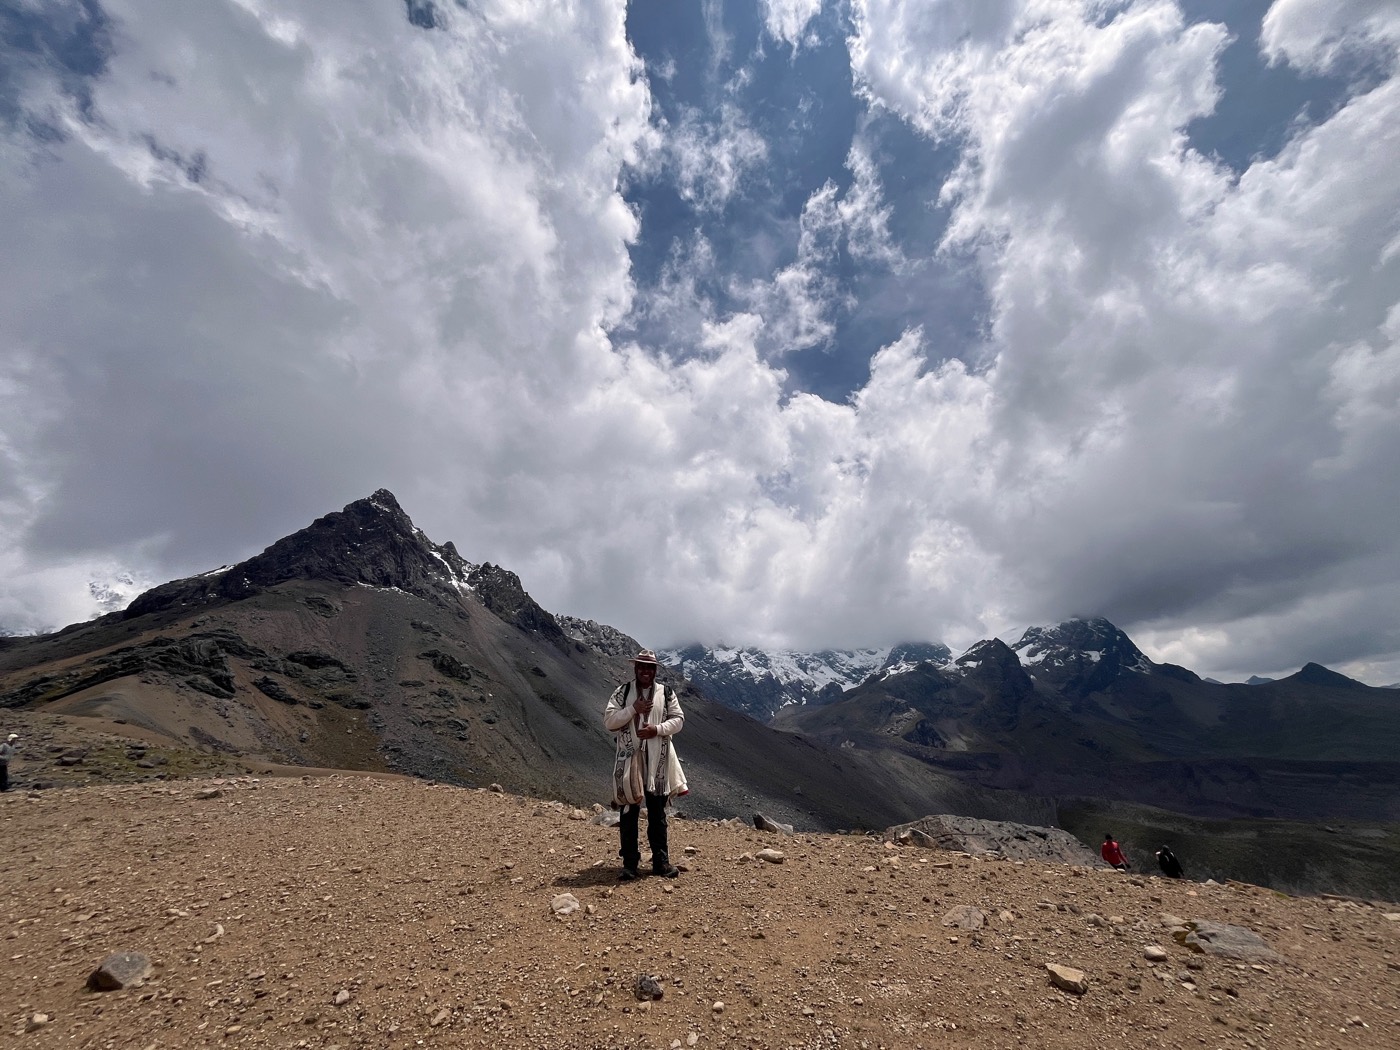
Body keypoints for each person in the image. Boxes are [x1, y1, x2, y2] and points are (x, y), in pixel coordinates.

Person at [604, 650, 685, 880]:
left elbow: (679, 719)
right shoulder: (623, 692)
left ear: (655, 670)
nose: (646, 671)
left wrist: (657, 730)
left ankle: (660, 862)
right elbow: (609, 720)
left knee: (657, 813)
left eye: (650, 668)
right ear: (635, 668)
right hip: (630, 760)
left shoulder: (666, 693)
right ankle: (630, 864)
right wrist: (633, 710)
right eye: (642, 667)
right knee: (629, 812)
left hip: (657, 761)